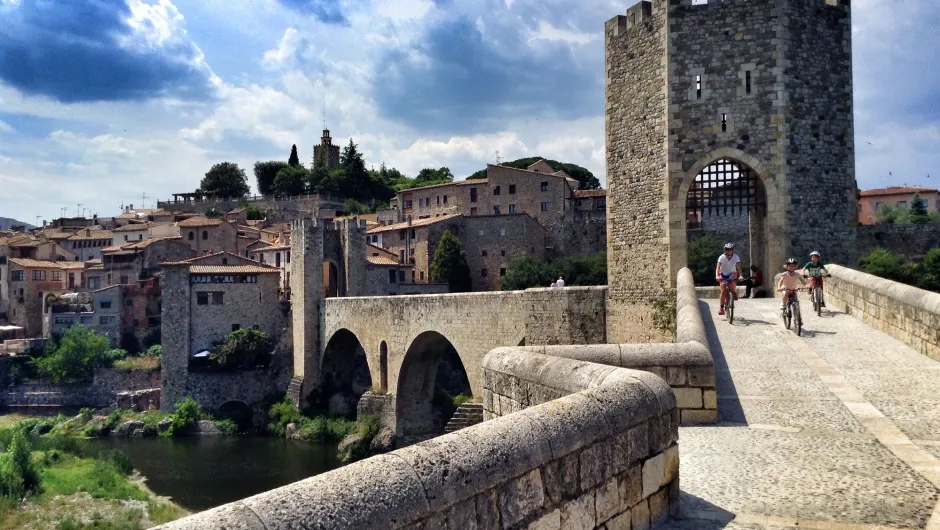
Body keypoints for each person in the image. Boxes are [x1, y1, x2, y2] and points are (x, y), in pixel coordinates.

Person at [715, 243, 743, 316]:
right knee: (723, 290)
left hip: (732, 273)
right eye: (727, 249)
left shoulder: (736, 257)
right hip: (723, 274)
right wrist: (717, 276)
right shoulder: (721, 257)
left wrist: (741, 275)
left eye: (731, 249)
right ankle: (721, 308)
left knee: (733, 281)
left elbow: (738, 267)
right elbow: (718, 267)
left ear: (733, 250)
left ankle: (733, 292)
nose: (729, 251)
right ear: (725, 250)